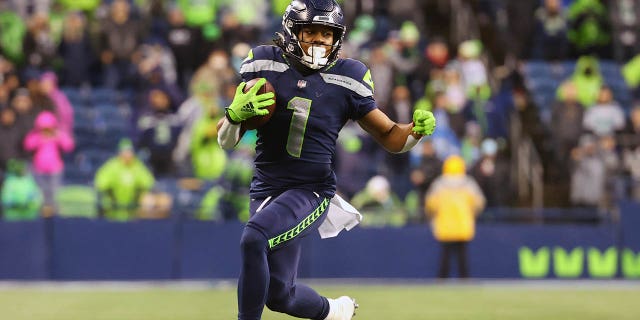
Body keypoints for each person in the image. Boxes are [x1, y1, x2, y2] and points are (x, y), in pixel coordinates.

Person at [215, 1, 436, 319]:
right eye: (311, 32)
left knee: (254, 238)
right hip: (266, 189)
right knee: (280, 296)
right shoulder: (264, 63)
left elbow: (389, 135)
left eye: (326, 34)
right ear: (293, 32)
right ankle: (336, 311)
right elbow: (226, 141)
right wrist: (234, 117)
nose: (319, 40)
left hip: (310, 190)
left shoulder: (348, 76)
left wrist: (413, 131)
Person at [425, 155, 485, 278]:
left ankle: (442, 281)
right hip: (463, 225)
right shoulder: (468, 183)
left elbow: (430, 204)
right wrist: (472, 214)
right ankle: (464, 280)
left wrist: (434, 216)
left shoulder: (439, 184)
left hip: (445, 226)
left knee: (445, 257)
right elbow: (479, 202)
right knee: (462, 258)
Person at [94, 138, 155, 221]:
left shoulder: (137, 165)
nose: (127, 154)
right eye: (125, 151)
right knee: (103, 199)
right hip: (112, 212)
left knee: (148, 198)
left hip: (132, 211)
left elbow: (148, 183)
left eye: (129, 151)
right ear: (119, 152)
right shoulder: (112, 165)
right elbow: (100, 183)